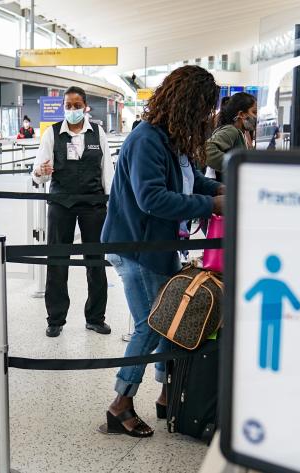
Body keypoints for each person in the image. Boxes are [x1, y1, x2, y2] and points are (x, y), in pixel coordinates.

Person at [101, 65, 225, 437]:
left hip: (159, 245)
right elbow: (152, 197)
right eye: (204, 107)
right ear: (188, 103)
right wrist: (213, 206)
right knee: (151, 326)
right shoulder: (147, 140)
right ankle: (119, 406)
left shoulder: (171, 140)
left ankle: (167, 395)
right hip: (136, 246)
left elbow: (192, 180)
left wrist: (225, 187)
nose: (207, 116)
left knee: (170, 321)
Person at [33, 86, 114, 338]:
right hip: (61, 204)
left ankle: (95, 317)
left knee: (96, 263)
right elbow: (38, 171)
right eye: (68, 106)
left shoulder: (97, 133)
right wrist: (40, 173)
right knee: (57, 262)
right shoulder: (52, 134)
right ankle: (55, 319)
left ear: (85, 107)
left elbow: (107, 171)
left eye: (76, 105)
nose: (72, 110)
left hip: (93, 204)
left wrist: (112, 204)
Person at [205, 91, 257, 180]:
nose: (256, 116)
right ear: (241, 114)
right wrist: (235, 165)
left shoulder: (240, 132)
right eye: (254, 112)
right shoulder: (231, 130)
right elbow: (207, 150)